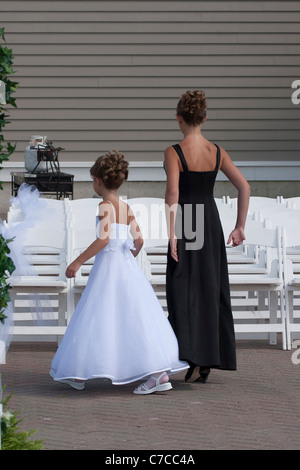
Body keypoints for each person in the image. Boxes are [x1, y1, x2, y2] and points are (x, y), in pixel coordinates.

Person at [50, 150, 188, 394]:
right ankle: (156, 373)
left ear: (98, 181)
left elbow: (103, 240)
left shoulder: (104, 206)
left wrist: (77, 261)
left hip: (108, 269)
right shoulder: (125, 206)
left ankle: (83, 372)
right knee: (132, 317)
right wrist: (126, 259)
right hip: (126, 268)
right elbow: (139, 241)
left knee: (98, 316)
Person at [164, 90, 251, 383]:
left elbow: (173, 193)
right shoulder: (217, 151)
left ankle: (188, 356)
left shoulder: (173, 151)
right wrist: (239, 226)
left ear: (179, 119)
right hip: (209, 221)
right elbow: (244, 187)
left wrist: (171, 233)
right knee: (209, 288)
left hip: (188, 221)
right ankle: (207, 360)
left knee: (183, 290)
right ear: (204, 118)